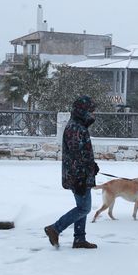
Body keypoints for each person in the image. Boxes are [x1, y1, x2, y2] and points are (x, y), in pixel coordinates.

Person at [44, 95, 100, 249]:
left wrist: (92, 166)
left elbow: (83, 153)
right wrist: (81, 177)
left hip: (81, 174)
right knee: (84, 208)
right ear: (83, 111)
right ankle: (55, 228)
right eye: (91, 111)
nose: (93, 114)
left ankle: (79, 239)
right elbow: (76, 156)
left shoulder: (79, 126)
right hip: (78, 176)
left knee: (81, 207)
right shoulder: (75, 128)